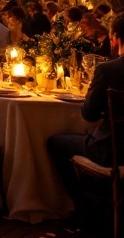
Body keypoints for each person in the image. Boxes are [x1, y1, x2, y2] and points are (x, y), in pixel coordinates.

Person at [49, 16, 124, 215]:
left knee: (55, 142)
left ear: (114, 37)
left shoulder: (107, 70)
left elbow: (88, 115)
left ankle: (82, 206)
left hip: (111, 150)